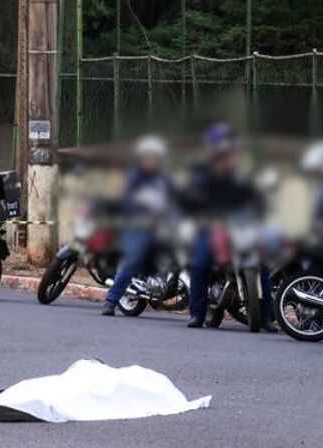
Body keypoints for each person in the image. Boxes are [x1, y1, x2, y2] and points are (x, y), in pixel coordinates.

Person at [180, 123, 264, 328]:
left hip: (239, 225)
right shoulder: (201, 172)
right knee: (200, 263)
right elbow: (190, 199)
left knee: (264, 265)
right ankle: (197, 313)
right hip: (210, 226)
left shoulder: (242, 173)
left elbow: (256, 198)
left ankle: (267, 317)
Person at [100, 135, 177, 317]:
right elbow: (125, 201)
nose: (152, 160)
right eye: (148, 156)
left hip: (164, 227)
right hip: (139, 226)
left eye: (155, 157)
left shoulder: (165, 178)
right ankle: (111, 301)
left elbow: (177, 198)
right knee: (134, 259)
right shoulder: (134, 178)